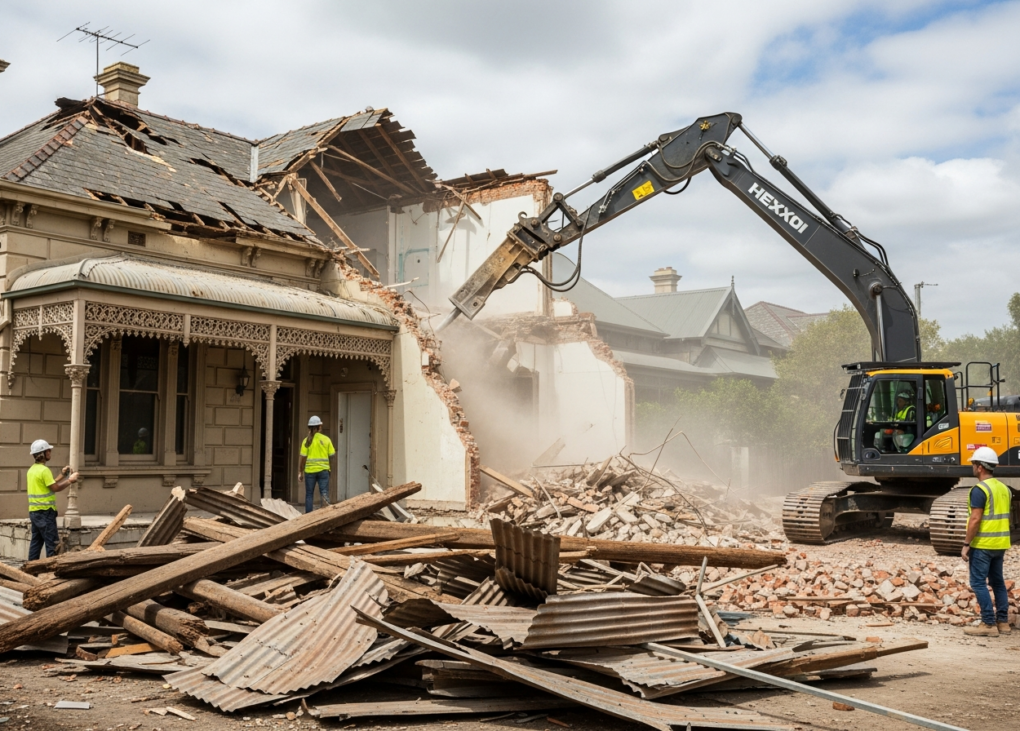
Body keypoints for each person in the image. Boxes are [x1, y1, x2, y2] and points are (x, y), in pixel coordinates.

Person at [962, 446, 1011, 637]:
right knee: (998, 582)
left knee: (978, 582)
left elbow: (975, 519)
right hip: (1000, 544)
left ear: (980, 467)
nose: (972, 467)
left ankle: (988, 624)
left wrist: (966, 544)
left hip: (983, 544)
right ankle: (1003, 622)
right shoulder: (1003, 488)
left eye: (974, 464)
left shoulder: (980, 489)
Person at [27, 439, 80, 561]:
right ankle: (52, 573)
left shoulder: (32, 470)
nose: (50, 452)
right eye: (48, 450)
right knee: (53, 545)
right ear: (42, 454)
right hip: (46, 513)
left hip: (34, 513)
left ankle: (31, 570)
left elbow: (49, 484)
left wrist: (63, 475)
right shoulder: (44, 470)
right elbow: (55, 488)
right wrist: (70, 480)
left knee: (36, 543)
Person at [298, 416, 336, 513]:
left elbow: (302, 459)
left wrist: (300, 472)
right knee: (324, 493)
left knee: (309, 494)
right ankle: (325, 516)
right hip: (324, 471)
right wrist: (329, 468)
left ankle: (308, 517)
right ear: (320, 427)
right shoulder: (326, 439)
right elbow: (332, 455)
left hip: (309, 472)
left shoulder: (306, 441)